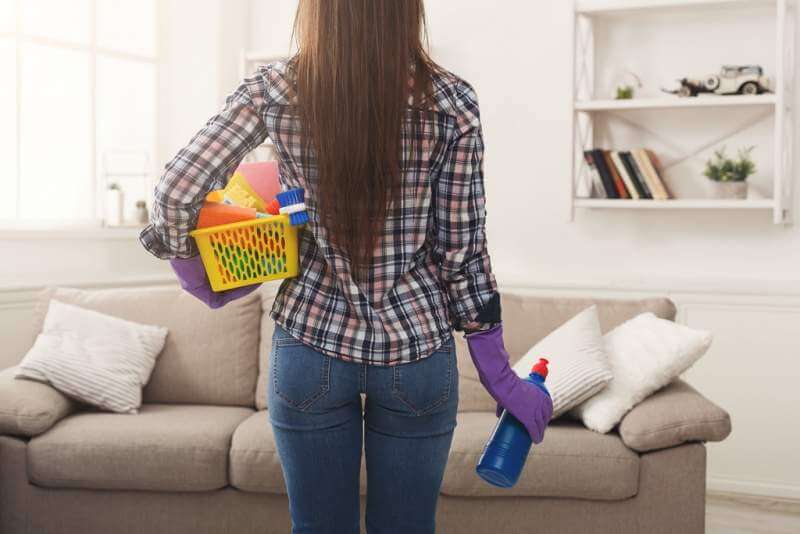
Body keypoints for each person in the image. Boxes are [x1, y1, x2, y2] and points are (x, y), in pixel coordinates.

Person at [139, 1, 552, 532]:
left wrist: (196, 273)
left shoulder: (275, 88)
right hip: (418, 353)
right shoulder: (451, 102)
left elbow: (175, 193)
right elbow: (463, 254)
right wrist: (497, 372)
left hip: (309, 346)